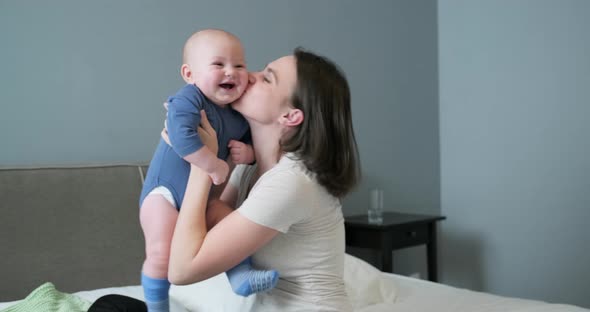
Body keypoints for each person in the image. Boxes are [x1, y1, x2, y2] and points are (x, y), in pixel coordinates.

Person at [91, 47, 360, 311]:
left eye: (267, 78)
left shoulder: (292, 182)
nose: (250, 76)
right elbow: (204, 222)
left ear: (290, 116)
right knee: (112, 305)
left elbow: (182, 270)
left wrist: (202, 164)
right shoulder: (246, 167)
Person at [138, 29, 278, 312]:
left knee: (230, 223)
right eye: (219, 64)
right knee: (161, 253)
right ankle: (157, 306)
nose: (232, 72)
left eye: (239, 65)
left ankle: (240, 275)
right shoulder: (189, 99)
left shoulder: (239, 112)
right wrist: (213, 163)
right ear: (189, 74)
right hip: (162, 195)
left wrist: (248, 153)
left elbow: (253, 143)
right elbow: (179, 135)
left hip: (204, 201)